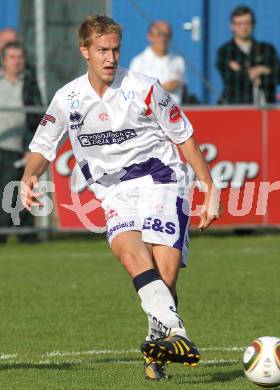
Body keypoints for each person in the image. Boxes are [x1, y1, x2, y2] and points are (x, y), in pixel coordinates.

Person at [20, 15, 222, 380]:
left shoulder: (145, 88)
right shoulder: (67, 99)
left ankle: (156, 344)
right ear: (85, 51)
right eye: (102, 50)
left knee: (165, 276)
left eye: (115, 50)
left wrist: (209, 187)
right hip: (114, 192)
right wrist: (28, 176)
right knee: (130, 255)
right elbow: (42, 147)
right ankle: (177, 334)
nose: (110, 58)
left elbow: (184, 136)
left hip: (163, 180)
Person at [0, 41, 42, 244]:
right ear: (4, 61)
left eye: (20, 57)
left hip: (18, 147)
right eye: (12, 57)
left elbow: (37, 119)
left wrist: (29, 148)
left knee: (14, 191)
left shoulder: (29, 84)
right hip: (2, 143)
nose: (17, 62)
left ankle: (22, 234)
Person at [215, 5, 280, 105]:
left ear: (253, 24)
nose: (244, 27)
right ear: (232, 26)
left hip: (265, 108)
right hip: (235, 107)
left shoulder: (266, 49)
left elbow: (279, 76)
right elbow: (230, 79)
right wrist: (263, 70)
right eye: (239, 24)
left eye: (247, 23)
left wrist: (245, 71)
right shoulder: (225, 51)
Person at [129, 20, 186, 105]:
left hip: (175, 112)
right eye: (159, 35)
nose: (163, 39)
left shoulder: (178, 60)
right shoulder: (138, 62)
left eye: (167, 35)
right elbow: (133, 92)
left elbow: (185, 89)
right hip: (149, 114)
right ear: (150, 36)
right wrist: (163, 88)